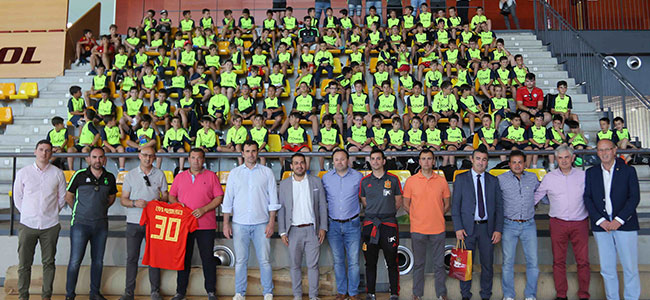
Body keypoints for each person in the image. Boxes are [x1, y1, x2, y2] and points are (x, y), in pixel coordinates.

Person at [223, 140, 281, 300]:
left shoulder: (267, 173)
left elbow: (273, 201)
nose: (250, 154)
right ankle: (239, 293)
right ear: (242, 153)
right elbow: (228, 200)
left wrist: (271, 223)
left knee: (265, 261)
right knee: (241, 261)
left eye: (253, 151)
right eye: (247, 151)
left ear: (258, 152)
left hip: (262, 223)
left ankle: (268, 292)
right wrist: (226, 223)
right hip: (239, 223)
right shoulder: (235, 173)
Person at [584, 139, 640, 300]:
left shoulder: (628, 171)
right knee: (607, 268)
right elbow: (587, 198)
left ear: (615, 150)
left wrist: (619, 220)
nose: (604, 153)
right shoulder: (591, 172)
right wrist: (601, 221)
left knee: (630, 267)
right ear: (597, 152)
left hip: (625, 224)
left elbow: (634, 197)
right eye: (600, 150)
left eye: (607, 149)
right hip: (602, 226)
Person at [534, 145, 590, 300]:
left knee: (583, 261)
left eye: (567, 157)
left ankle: (584, 295)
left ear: (572, 158)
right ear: (556, 159)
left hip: (580, 222)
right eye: (560, 158)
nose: (564, 161)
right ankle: (561, 295)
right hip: (558, 223)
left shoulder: (583, 175)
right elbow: (536, 196)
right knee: (558, 261)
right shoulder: (549, 177)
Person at [13, 140, 66, 300]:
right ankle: (23, 296)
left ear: (51, 154)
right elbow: (18, 197)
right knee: (24, 264)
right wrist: (29, 213)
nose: (44, 153)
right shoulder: (23, 172)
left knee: (49, 263)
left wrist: (49, 213)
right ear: (35, 151)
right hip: (27, 224)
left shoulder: (58, 173)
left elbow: (61, 198)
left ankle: (46, 296)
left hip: (50, 225)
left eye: (48, 150)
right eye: (41, 150)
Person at [168, 148, 223, 300]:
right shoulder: (180, 177)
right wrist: (179, 206)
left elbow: (219, 198)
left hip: (206, 225)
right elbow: (172, 196)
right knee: (183, 258)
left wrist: (204, 209)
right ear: (188, 159)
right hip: (185, 225)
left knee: (208, 258)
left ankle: (211, 291)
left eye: (199, 158)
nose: (196, 161)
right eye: (193, 158)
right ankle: (180, 292)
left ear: (203, 160)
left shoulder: (211, 176)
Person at [451, 147, 503, 300]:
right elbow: (455, 206)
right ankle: (465, 295)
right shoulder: (461, 179)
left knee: (487, 265)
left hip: (488, 229)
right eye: (478, 159)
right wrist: (458, 227)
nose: (481, 162)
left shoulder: (493, 180)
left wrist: (498, 229)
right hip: (467, 229)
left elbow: (499, 207)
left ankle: (486, 294)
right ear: (472, 160)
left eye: (484, 159)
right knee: (465, 265)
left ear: (487, 162)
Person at [65, 147, 117, 300]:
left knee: (98, 261)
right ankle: (70, 295)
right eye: (94, 157)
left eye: (101, 157)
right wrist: (80, 210)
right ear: (88, 159)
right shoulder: (79, 175)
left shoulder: (110, 177)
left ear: (105, 159)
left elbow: (111, 198)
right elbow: (69, 196)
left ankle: (94, 293)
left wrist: (99, 208)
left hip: (101, 225)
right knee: (75, 261)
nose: (97, 160)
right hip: (80, 224)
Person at [119, 147, 168, 300]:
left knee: (154, 257)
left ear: (154, 158)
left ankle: (155, 291)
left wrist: (158, 202)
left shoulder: (160, 174)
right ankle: (129, 292)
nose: (148, 158)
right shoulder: (130, 175)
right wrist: (134, 203)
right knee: (132, 257)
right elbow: (123, 200)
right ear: (139, 156)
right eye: (145, 155)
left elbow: (166, 196)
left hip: (153, 222)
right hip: (134, 221)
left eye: (151, 156)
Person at [278, 153, 328, 300]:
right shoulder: (285, 184)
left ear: (305, 165)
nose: (299, 166)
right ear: (291, 166)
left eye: (302, 163)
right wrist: (282, 232)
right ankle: (297, 296)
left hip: (312, 230)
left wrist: (323, 227)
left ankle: (313, 296)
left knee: (313, 266)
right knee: (294, 265)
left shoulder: (316, 182)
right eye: (296, 163)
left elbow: (322, 206)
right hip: (293, 230)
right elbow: (282, 209)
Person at [403, 149, 450, 300]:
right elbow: (406, 204)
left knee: (439, 265)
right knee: (418, 264)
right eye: (423, 159)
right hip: (418, 229)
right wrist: (417, 216)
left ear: (434, 161)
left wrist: (436, 214)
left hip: (438, 229)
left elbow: (447, 204)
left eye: (429, 159)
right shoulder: (411, 181)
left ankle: (441, 294)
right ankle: (417, 294)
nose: (426, 162)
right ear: (419, 161)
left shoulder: (441, 181)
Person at [359, 150, 402, 300]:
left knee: (392, 261)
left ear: (384, 161)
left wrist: (385, 212)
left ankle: (394, 293)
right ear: (370, 161)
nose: (375, 161)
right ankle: (371, 293)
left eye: (378, 159)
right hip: (370, 225)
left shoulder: (393, 179)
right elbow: (364, 202)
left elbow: (398, 202)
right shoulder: (364, 181)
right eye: (373, 159)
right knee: (370, 262)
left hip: (388, 224)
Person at [497, 150, 540, 300]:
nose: (517, 165)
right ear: (509, 164)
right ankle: (508, 295)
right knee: (508, 262)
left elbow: (543, 194)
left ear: (525, 163)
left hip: (529, 224)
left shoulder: (533, 178)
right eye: (514, 162)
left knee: (533, 262)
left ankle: (530, 295)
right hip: (508, 224)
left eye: (520, 162)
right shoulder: (501, 179)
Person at [321, 149, 363, 300]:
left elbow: (363, 198)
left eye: (342, 159)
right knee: (338, 260)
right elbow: (322, 202)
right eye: (336, 159)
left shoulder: (358, 177)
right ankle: (341, 291)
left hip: (353, 224)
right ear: (333, 162)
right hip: (333, 225)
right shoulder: (326, 178)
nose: (339, 162)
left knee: (354, 261)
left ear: (348, 160)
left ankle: (353, 292)